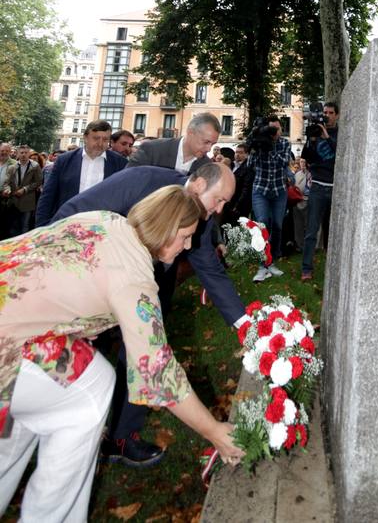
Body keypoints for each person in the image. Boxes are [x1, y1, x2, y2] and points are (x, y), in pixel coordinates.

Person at [0, 186, 243, 522]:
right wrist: (214, 431)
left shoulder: (108, 221)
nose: (188, 246)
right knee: (92, 389)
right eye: (186, 236)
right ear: (168, 227)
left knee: (32, 414)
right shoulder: (134, 278)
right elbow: (157, 371)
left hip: (16, 322)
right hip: (9, 343)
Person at [51, 162, 243, 466]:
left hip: (139, 288)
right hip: (84, 280)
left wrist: (244, 324)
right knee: (86, 369)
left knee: (133, 355)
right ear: (198, 186)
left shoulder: (199, 217)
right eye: (218, 200)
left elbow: (209, 269)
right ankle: (68, 436)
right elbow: (76, 212)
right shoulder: (142, 180)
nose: (219, 210)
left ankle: (121, 437)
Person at [36, 121, 127, 226]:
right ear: (85, 137)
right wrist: (41, 227)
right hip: (66, 224)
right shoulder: (64, 160)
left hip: (103, 228)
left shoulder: (120, 164)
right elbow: (48, 196)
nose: (100, 143)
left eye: (105, 139)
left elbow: (124, 200)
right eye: (96, 138)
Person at [248, 115, 292, 282]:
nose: (275, 132)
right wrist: (255, 147)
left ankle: (272, 261)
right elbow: (250, 165)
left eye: (277, 129)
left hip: (279, 191)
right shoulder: (259, 142)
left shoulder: (285, 144)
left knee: (278, 226)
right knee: (262, 225)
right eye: (271, 129)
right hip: (261, 190)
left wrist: (271, 146)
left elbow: (283, 163)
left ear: (281, 130)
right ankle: (261, 266)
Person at [300, 103, 339, 281]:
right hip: (317, 186)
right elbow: (306, 157)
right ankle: (306, 268)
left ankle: (333, 267)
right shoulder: (314, 132)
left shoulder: (340, 133)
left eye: (331, 113)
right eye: (325, 112)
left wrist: (327, 137)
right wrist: (313, 139)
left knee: (334, 231)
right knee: (312, 230)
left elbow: (342, 155)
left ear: (337, 115)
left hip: (335, 187)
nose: (327, 115)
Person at [128, 113, 220, 174]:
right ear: (190, 133)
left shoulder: (207, 166)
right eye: (206, 142)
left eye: (212, 144)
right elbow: (125, 182)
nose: (209, 149)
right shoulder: (152, 149)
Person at [6, 146, 43, 235]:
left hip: (28, 200)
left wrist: (25, 189)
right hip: (14, 200)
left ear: (29, 154)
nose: (23, 155)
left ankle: (23, 245)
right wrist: (8, 190)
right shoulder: (12, 167)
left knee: (25, 224)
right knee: (13, 224)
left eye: (26, 153)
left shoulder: (35, 166)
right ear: (18, 154)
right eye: (21, 153)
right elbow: (7, 182)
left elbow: (38, 182)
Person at [292, 157, 311, 250]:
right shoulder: (297, 174)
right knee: (298, 225)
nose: (303, 164)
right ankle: (300, 245)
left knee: (308, 224)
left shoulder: (311, 174)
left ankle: (309, 245)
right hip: (298, 201)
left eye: (304, 161)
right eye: (301, 162)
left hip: (309, 201)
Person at [0, 144, 17, 235]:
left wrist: (9, 190)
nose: (4, 152)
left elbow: (16, 180)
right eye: (2, 150)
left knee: (3, 221)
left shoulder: (14, 163)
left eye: (7, 151)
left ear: (10, 152)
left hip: (6, 196)